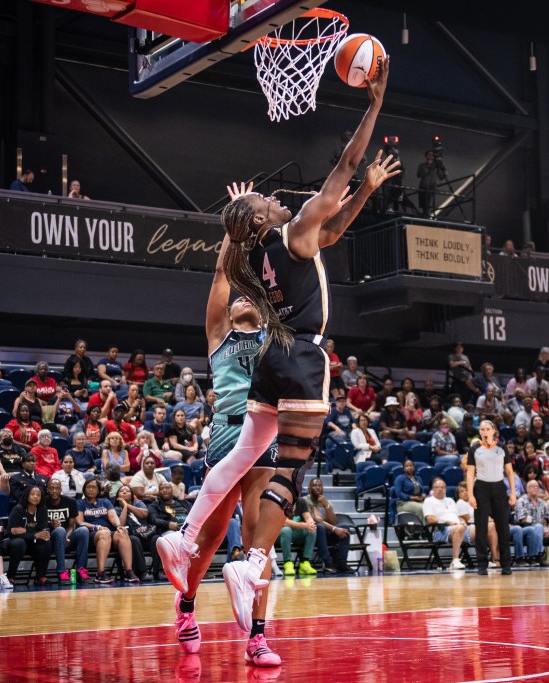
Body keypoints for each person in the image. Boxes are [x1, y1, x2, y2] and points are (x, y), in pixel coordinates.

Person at [165, 63, 396, 667]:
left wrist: (362, 191)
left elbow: (331, 226)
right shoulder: (275, 251)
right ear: (262, 222)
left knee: (255, 482)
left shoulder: (261, 266)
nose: (273, 196)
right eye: (264, 202)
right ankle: (225, 574)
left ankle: (218, 576)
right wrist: (374, 106)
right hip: (284, 371)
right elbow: (338, 173)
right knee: (276, 486)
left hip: (271, 373)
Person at [156, 185, 279, 658]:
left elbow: (274, 278)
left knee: (258, 542)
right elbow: (220, 274)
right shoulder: (218, 334)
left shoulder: (273, 335)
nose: (242, 298)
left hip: (263, 431)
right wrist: (237, 218)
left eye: (252, 295)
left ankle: (258, 635)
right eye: (237, 296)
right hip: (228, 430)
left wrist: (263, 226)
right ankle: (186, 604)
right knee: (210, 539)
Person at [465, 420, 516, 575]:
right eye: (482, 429)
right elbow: (469, 473)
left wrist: (513, 492)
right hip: (481, 488)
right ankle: (482, 564)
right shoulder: (474, 449)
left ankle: (506, 564)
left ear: (494, 431)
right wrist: (471, 495)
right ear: (479, 432)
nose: (485, 431)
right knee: (481, 527)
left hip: (499, 487)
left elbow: (509, 471)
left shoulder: (501, 448)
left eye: (488, 429)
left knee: (503, 527)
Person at [76, 478, 137, 584]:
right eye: (88, 487)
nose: (91, 489)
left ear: (99, 490)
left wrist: (118, 526)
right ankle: (100, 573)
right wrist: (97, 527)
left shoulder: (105, 501)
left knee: (122, 532)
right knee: (105, 533)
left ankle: (129, 571)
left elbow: (113, 516)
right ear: (84, 489)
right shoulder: (80, 503)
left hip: (108, 533)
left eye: (94, 487)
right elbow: (80, 522)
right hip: (91, 535)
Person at [44, 477, 90, 583]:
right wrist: (51, 524)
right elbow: (40, 524)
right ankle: (61, 571)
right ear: (47, 490)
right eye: (51, 488)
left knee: (83, 530)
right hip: (49, 539)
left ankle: (80, 570)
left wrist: (67, 537)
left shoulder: (70, 502)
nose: (54, 491)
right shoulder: (42, 502)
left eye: (57, 488)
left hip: (65, 538)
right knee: (60, 530)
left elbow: (71, 525)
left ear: (61, 490)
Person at [6, 485, 53, 585]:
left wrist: (25, 530)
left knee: (46, 542)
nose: (35, 497)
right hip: (15, 543)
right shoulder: (18, 509)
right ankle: (10, 577)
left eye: (38, 495)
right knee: (20, 542)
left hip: (32, 543)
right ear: (27, 495)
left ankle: (41, 577)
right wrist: (34, 534)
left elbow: (43, 531)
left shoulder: (42, 509)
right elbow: (12, 533)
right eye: (32, 494)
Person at [515, 479, 549, 566]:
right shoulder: (521, 501)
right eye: (533, 487)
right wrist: (539, 525)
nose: (535, 488)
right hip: (526, 529)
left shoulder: (542, 502)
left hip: (541, 528)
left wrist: (546, 528)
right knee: (538, 526)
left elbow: (545, 518)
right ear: (527, 489)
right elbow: (522, 519)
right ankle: (539, 555)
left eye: (537, 487)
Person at [303, 477, 351, 573]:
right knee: (320, 528)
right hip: (311, 535)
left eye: (320, 485)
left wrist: (326, 506)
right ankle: (328, 564)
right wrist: (334, 529)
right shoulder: (304, 501)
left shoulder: (326, 502)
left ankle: (341, 563)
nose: (317, 488)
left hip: (327, 534)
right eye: (314, 485)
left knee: (345, 529)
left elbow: (334, 522)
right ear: (309, 488)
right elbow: (315, 520)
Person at [423, 477, 468, 570]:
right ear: (433, 489)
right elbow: (429, 518)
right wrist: (445, 521)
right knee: (459, 528)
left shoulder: (450, 500)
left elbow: (458, 516)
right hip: (440, 531)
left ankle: (491, 560)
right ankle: (455, 560)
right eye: (437, 487)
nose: (440, 489)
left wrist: (462, 521)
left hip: (458, 527)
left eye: (443, 487)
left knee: (484, 527)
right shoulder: (429, 501)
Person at [416, 149, 446, 217]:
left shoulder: (436, 166)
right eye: (429, 154)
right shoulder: (422, 165)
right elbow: (419, 174)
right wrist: (427, 169)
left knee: (429, 206)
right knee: (424, 206)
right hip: (423, 187)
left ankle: (428, 217)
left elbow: (441, 177)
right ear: (426, 156)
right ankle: (425, 217)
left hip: (432, 188)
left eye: (432, 155)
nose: (431, 156)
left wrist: (444, 173)